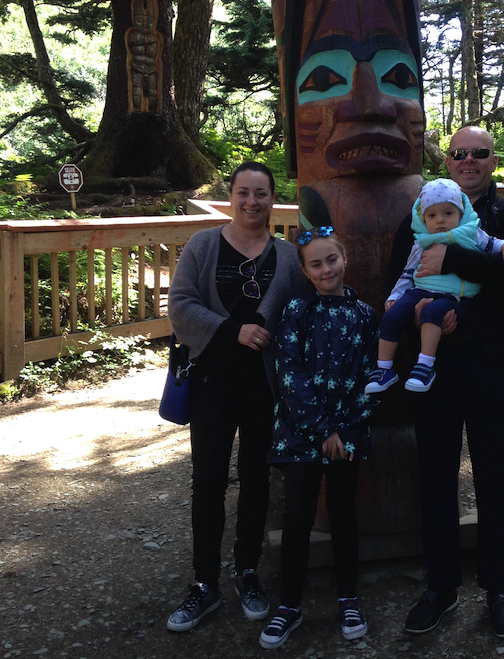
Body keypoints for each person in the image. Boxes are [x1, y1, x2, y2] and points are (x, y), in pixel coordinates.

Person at [389, 127, 504, 638]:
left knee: (494, 474)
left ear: (492, 160)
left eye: (479, 153)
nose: (469, 161)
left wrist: (453, 257)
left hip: (492, 362)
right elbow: (401, 286)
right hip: (433, 368)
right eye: (460, 154)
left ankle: (499, 588)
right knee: (435, 476)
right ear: (448, 160)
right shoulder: (417, 222)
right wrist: (418, 320)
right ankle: (441, 587)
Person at [165, 162, 305, 632]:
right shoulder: (204, 246)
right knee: (207, 481)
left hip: (264, 386)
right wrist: (232, 330)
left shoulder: (288, 255)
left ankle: (247, 570)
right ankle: (204, 582)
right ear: (230, 197)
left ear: (271, 198)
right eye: (243, 193)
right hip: (212, 383)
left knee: (256, 478)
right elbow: (180, 305)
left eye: (261, 193)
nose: (252, 202)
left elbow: (304, 307)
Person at [258, 226, 378, 650]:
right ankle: (289, 604)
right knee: (298, 516)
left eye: (332, 259)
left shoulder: (364, 313)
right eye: (316, 263)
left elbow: (372, 375)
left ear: (344, 259)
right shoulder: (297, 310)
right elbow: (289, 373)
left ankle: (348, 597)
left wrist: (344, 429)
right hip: (301, 432)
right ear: (305, 270)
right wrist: (322, 430)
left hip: (348, 432)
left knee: (344, 512)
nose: (326, 269)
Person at [365, 178, 504, 394]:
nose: (440, 220)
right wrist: (395, 295)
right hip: (418, 290)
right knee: (391, 315)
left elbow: (494, 243)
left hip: (452, 295)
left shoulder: (470, 232)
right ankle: (384, 369)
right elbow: (408, 271)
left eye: (448, 213)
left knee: (432, 312)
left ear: (460, 213)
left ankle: (425, 366)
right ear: (423, 217)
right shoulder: (421, 240)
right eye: (432, 215)